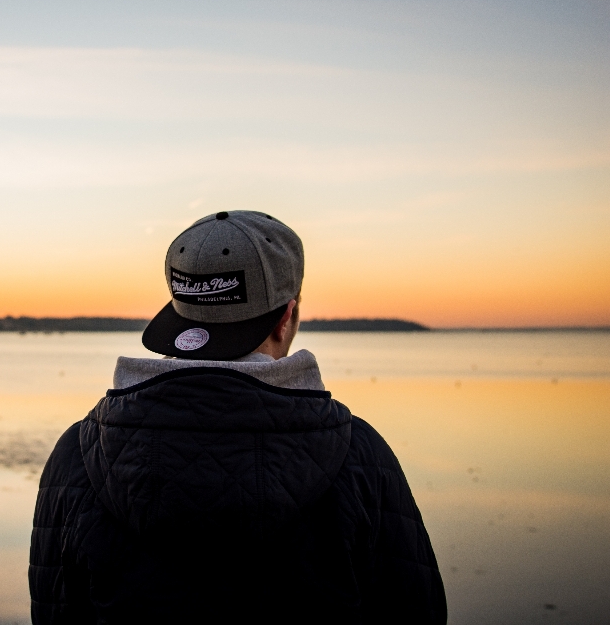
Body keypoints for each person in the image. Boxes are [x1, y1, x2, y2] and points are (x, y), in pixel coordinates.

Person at [29, 211, 447, 624]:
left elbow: (54, 612)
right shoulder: (359, 455)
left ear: (179, 312)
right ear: (287, 318)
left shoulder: (78, 453)